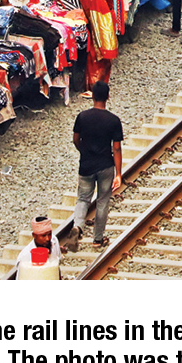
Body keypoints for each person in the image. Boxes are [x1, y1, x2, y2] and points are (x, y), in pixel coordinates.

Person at [72, 81, 124, 249]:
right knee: (102, 201)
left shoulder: (82, 117)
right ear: (108, 96)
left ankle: (77, 226)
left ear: (92, 96)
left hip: (86, 166)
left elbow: (76, 139)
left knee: (83, 199)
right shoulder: (113, 120)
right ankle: (97, 239)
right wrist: (118, 173)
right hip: (105, 166)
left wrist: (83, 151)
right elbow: (116, 148)